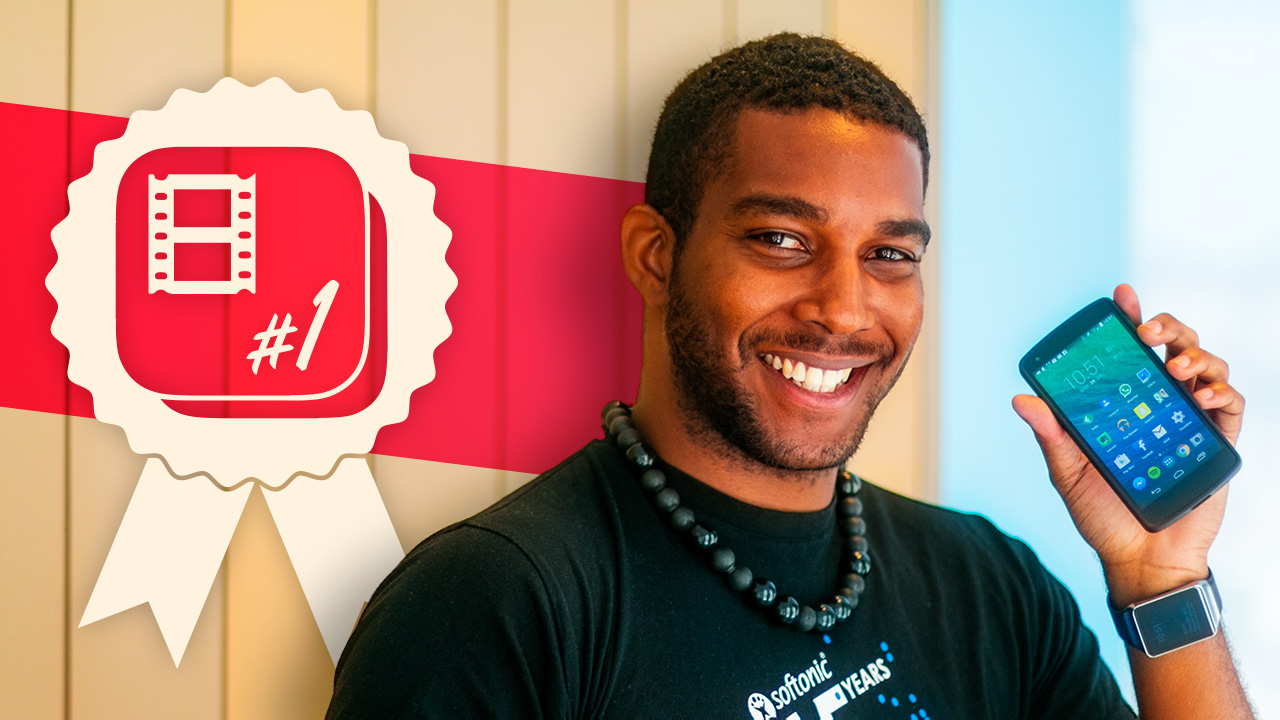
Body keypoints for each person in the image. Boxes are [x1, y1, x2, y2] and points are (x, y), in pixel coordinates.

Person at [327, 34, 1253, 718]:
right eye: (780, 239)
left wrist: (1160, 576)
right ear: (656, 256)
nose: (844, 310)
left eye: (890, 254)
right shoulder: (489, 604)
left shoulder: (990, 586)